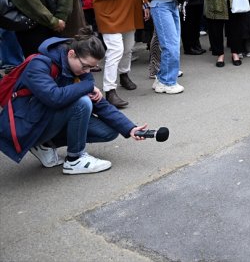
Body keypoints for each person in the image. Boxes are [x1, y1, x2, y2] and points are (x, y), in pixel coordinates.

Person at [0, 29, 151, 174]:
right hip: (26, 126)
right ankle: (75, 159)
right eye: (85, 66)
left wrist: (129, 128)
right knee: (82, 103)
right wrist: (88, 86)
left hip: (46, 118)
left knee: (109, 131)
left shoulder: (80, 68)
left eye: (91, 68)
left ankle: (45, 144)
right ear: (71, 54)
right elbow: (54, 98)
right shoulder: (39, 64)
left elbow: (100, 104)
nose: (87, 72)